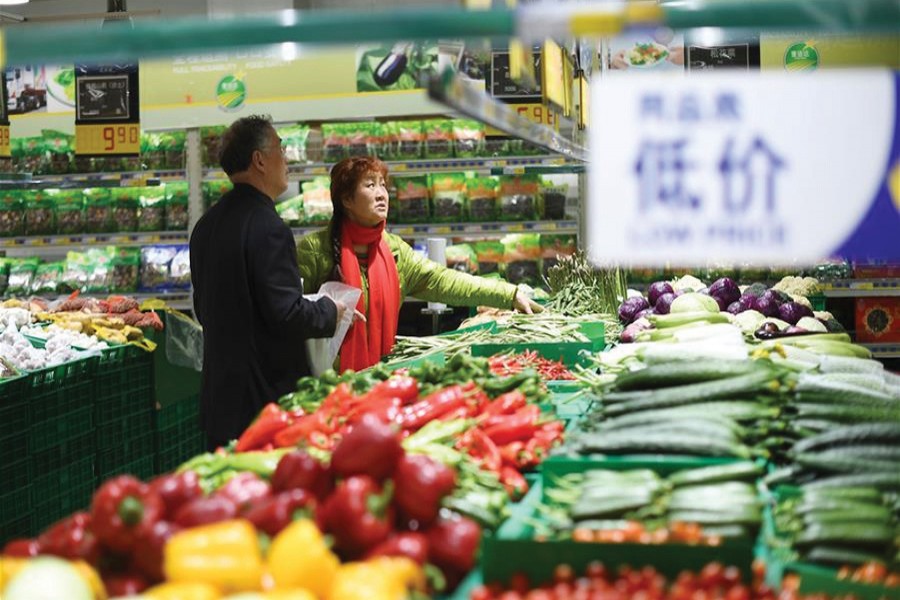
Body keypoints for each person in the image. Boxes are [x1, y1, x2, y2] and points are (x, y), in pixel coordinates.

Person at [297, 156, 541, 372]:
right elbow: (290, 313)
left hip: (380, 376)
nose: (382, 194)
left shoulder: (395, 251)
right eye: (370, 186)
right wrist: (327, 313)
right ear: (347, 199)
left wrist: (509, 294)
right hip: (323, 379)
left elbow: (443, 280)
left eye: (383, 185)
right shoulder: (314, 251)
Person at [190, 115, 343, 449]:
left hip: (221, 402)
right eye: (281, 149)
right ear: (259, 160)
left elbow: (203, 310)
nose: (285, 159)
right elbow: (286, 313)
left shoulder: (206, 225)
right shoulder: (268, 226)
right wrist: (332, 309)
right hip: (263, 407)